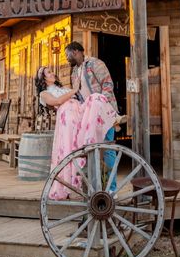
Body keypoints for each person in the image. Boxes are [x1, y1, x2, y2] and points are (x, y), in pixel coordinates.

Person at [35, 66, 119, 200]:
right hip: (67, 118)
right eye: (49, 72)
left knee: (96, 97)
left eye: (52, 71)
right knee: (69, 150)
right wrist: (74, 89)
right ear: (43, 79)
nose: (53, 73)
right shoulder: (44, 93)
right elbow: (56, 101)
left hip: (78, 110)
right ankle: (70, 183)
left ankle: (113, 117)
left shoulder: (63, 89)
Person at [64, 41, 123, 190]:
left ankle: (111, 188)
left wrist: (102, 106)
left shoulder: (95, 63)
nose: (66, 58)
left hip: (104, 112)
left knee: (108, 148)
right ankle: (95, 187)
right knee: (90, 150)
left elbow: (107, 84)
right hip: (88, 117)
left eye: (67, 54)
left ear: (76, 51)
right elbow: (79, 95)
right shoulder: (74, 72)